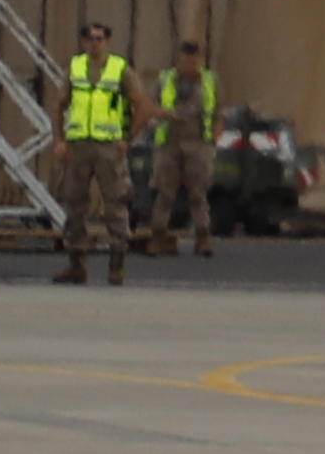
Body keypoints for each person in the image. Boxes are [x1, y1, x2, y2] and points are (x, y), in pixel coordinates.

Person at [49, 17, 138, 285]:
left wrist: (127, 139)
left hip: (108, 146)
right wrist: (60, 140)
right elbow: (60, 102)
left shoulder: (120, 69)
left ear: (107, 41)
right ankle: (76, 265)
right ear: (84, 41)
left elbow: (141, 104)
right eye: (90, 38)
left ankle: (117, 266)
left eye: (99, 38)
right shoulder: (75, 68)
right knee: (74, 202)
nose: (95, 43)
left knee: (115, 202)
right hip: (79, 145)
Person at [154, 40, 223, 259]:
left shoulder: (210, 81)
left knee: (198, 193)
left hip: (198, 142)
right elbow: (150, 106)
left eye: (193, 60)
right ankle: (158, 236)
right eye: (184, 60)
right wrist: (167, 115)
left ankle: (202, 237)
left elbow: (219, 110)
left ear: (200, 60)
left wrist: (215, 134)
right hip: (170, 142)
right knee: (165, 192)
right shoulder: (165, 80)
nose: (189, 64)